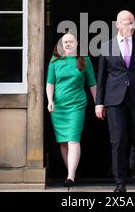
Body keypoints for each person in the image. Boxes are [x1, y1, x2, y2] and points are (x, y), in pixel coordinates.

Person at [95, 10, 135, 192]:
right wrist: (99, 103)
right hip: (114, 99)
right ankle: (120, 182)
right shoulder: (106, 46)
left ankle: (134, 165)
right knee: (118, 140)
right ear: (117, 24)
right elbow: (101, 77)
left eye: (132, 23)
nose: (131, 26)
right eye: (126, 23)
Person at [46, 32, 97, 190]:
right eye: (65, 42)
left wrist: (98, 104)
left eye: (70, 41)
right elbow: (50, 83)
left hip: (77, 105)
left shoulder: (84, 61)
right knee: (63, 142)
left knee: (73, 139)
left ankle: (70, 176)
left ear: (77, 43)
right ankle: (71, 171)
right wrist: (50, 101)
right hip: (59, 107)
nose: (67, 44)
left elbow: (93, 85)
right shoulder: (55, 61)